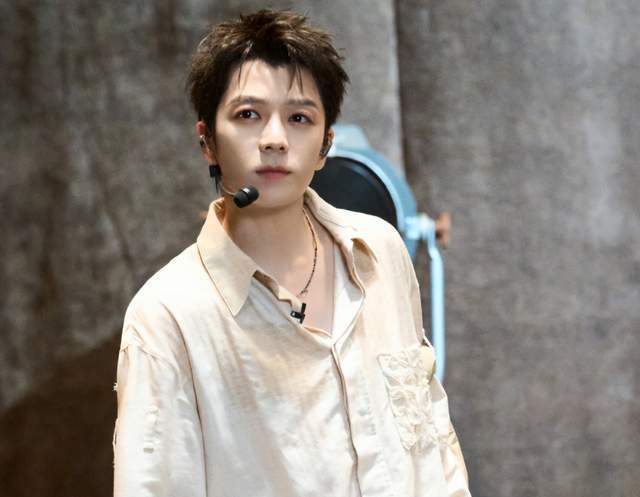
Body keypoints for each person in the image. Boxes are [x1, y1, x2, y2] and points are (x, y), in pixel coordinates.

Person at [113, 9, 471, 497]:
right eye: (248, 115)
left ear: (325, 145)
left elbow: (432, 444)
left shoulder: (381, 250)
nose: (275, 139)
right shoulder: (166, 316)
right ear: (207, 142)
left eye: (299, 118)